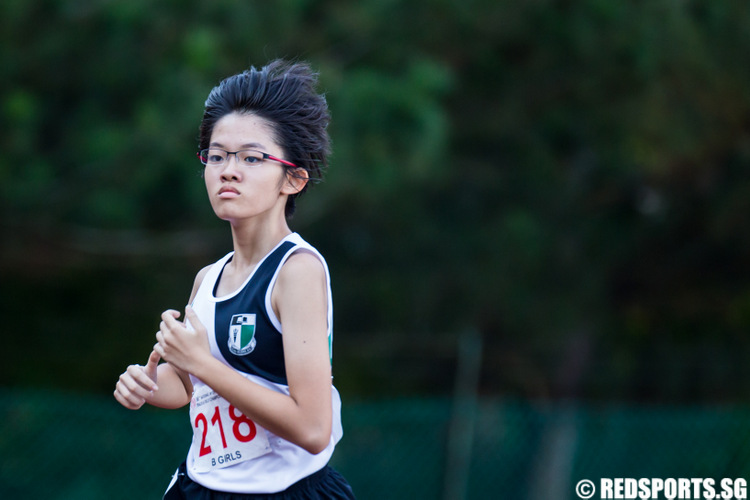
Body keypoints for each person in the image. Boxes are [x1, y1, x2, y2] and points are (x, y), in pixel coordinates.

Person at [114, 60, 355, 499]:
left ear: (294, 178)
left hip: (284, 491)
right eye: (218, 155)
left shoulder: (296, 270)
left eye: (252, 157)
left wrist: (199, 362)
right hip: (201, 486)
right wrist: (149, 384)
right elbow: (189, 386)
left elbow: (314, 428)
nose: (228, 170)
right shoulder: (208, 278)